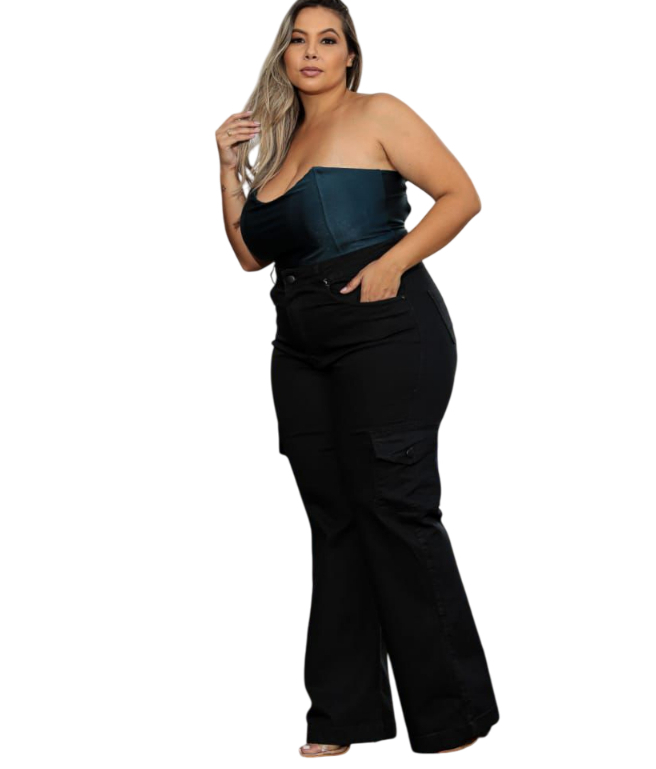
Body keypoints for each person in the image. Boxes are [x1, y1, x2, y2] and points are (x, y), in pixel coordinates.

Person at [216, 0, 499, 756]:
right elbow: (249, 254)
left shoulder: (379, 112)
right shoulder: (279, 146)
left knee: (394, 510)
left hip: (386, 331)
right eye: (297, 40)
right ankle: (343, 716)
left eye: (327, 39)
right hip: (299, 346)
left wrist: (393, 262)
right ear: (283, 57)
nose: (311, 51)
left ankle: (452, 714)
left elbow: (462, 195)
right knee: (335, 521)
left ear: (350, 55)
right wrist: (228, 170)